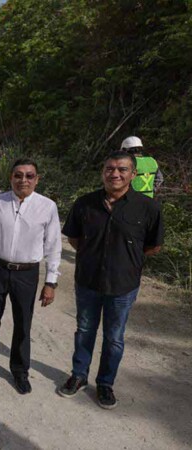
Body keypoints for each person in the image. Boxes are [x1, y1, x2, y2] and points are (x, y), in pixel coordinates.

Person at [58, 150, 163, 409]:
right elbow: (74, 238)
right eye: (109, 168)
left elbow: (152, 246)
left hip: (123, 285)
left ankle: (105, 383)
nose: (115, 173)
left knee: (114, 337)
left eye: (122, 169)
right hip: (88, 281)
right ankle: (78, 375)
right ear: (103, 171)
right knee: (84, 330)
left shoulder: (148, 207)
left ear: (133, 174)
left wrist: (126, 261)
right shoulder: (85, 203)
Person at [0, 159, 61, 394]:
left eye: (29, 176)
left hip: (26, 273)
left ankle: (20, 371)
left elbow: (53, 247)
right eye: (18, 175)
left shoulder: (47, 207)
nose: (23, 180)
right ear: (11, 178)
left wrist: (51, 282)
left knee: (23, 323)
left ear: (37, 179)